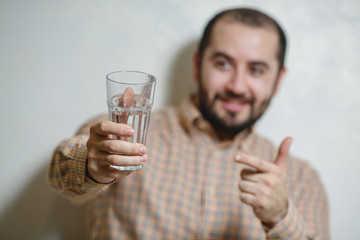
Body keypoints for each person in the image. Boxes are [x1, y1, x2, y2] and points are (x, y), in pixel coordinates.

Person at [48, 7, 329, 239]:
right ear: (197, 65)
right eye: (223, 63)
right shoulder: (122, 135)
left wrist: (281, 217)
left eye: (256, 70)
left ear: (278, 80)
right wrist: (92, 165)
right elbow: (61, 173)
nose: (237, 86)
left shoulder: (303, 180)